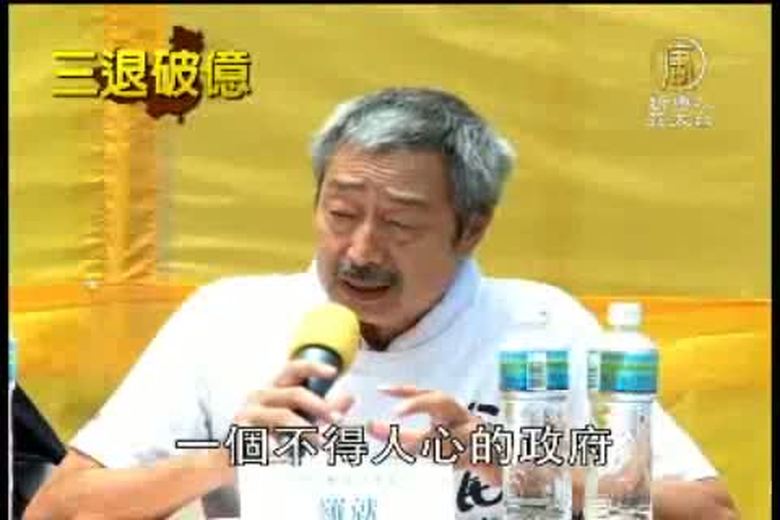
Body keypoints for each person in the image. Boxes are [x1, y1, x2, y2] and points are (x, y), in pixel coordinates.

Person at [25, 87, 737, 519]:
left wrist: (521, 470)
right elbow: (58, 511)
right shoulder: (227, 319)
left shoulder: (542, 331)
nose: (360, 251)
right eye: (340, 214)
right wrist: (227, 459)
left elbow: (708, 511)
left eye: (399, 224)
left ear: (472, 227)